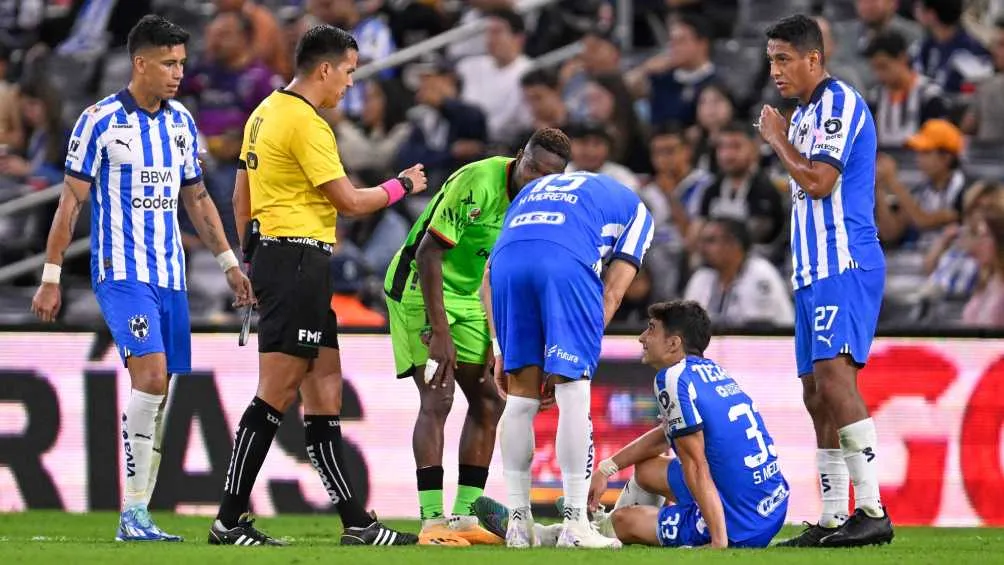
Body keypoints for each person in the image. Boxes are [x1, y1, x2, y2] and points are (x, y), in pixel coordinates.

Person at [29, 15, 254, 541]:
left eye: (182, 62)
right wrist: (50, 275)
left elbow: (196, 198)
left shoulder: (181, 123)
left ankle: (139, 511)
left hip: (171, 276)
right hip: (122, 274)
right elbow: (70, 203)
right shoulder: (99, 120)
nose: (179, 73)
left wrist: (228, 265)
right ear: (140, 63)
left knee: (161, 393)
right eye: (169, 63)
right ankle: (131, 515)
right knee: (150, 378)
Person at [209, 24, 428, 546]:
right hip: (298, 262)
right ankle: (228, 519)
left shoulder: (264, 111)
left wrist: (250, 258)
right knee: (276, 393)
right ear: (325, 69)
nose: (350, 83)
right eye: (349, 72)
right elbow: (349, 202)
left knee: (325, 388)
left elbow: (242, 193)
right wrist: (403, 185)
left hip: (285, 259)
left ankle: (356, 523)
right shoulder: (307, 124)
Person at [472, 301, 790, 549]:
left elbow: (696, 464)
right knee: (647, 469)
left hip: (739, 522)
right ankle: (589, 523)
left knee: (624, 522)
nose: (641, 337)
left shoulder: (672, 378)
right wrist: (606, 469)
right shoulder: (711, 372)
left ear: (673, 343)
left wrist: (718, 542)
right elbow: (666, 437)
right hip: (770, 505)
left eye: (651, 329)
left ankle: (562, 533)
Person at [383, 128, 571, 546]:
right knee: (438, 394)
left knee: (488, 401)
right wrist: (441, 333)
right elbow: (427, 252)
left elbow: (505, 276)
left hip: (471, 295)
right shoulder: (479, 182)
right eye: (529, 168)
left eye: (545, 176)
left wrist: (497, 342)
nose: (532, 180)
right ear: (518, 155)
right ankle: (432, 521)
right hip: (419, 285)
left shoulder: (542, 207)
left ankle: (465, 516)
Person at [756, 15, 893, 547]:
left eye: (784, 58)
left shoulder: (838, 103)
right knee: (816, 394)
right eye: (771, 60)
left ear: (815, 58)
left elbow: (818, 181)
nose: (775, 70)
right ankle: (836, 515)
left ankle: (874, 510)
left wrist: (776, 140)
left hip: (845, 262)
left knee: (836, 380)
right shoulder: (805, 113)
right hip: (812, 272)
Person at [485, 170, 654, 548]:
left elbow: (490, 272)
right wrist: (572, 351)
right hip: (564, 264)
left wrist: (501, 349)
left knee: (520, 398)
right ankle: (576, 524)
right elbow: (611, 294)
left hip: (506, 264)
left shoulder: (535, 189)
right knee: (574, 393)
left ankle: (519, 524)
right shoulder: (639, 211)